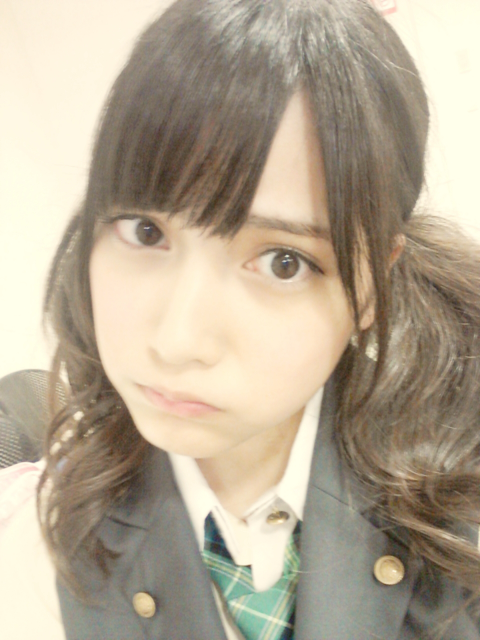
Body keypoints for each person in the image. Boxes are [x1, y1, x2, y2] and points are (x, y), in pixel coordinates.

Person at [1, 0, 480, 638]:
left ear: (371, 286)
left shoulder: (457, 520)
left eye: (284, 262)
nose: (177, 341)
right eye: (145, 231)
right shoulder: (37, 556)